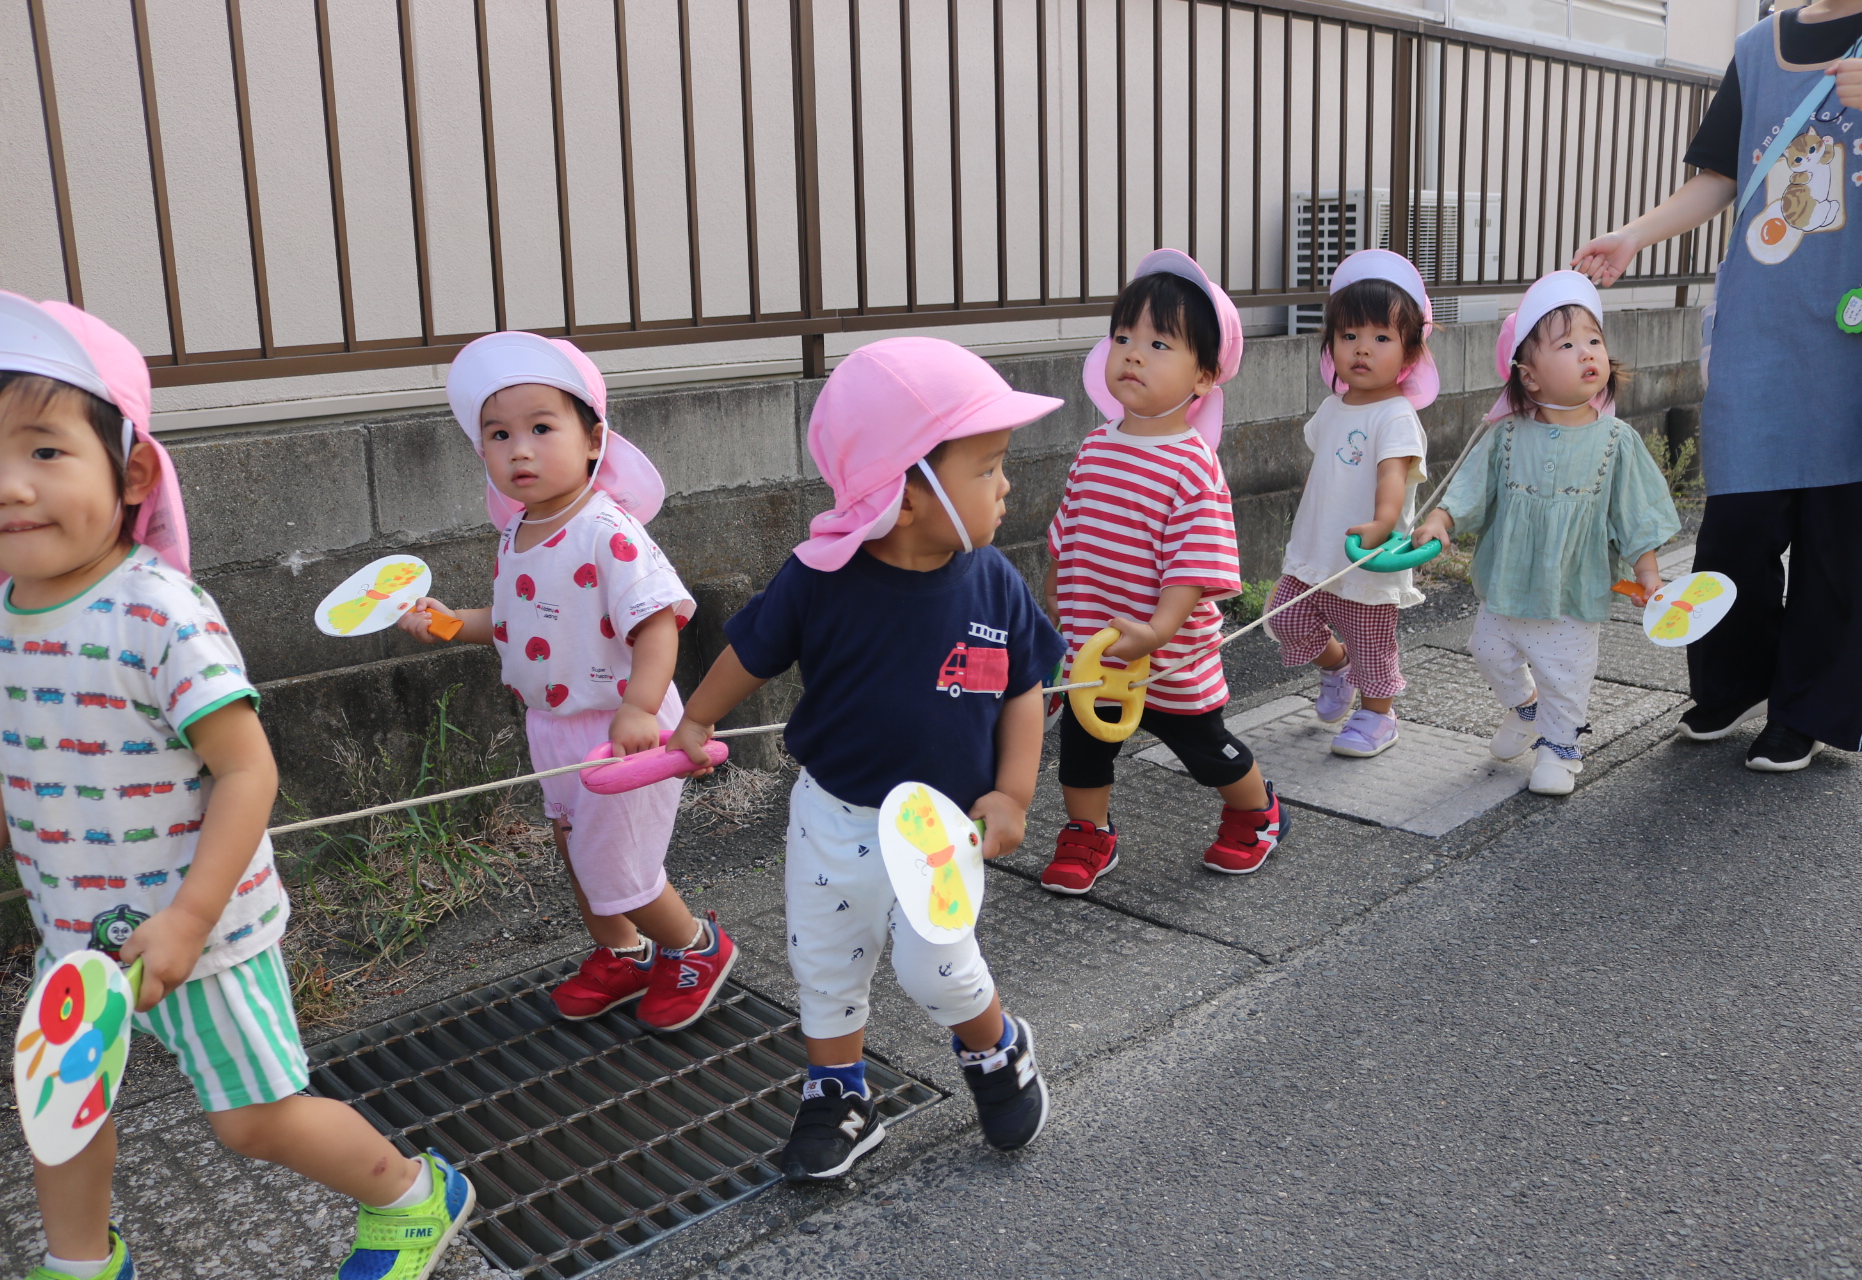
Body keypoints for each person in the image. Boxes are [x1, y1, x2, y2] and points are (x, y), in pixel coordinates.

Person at [0, 293, 471, 1280]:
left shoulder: (159, 613)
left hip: (201, 931)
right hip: (73, 928)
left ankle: (412, 1196)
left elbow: (248, 768)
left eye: (44, 449)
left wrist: (187, 919)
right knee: (62, 1107)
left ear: (131, 472)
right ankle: (81, 1263)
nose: (11, 484)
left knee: (253, 1119)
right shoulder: (5, 608)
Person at [663, 337, 1064, 1180]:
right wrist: (696, 718)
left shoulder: (993, 581)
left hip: (941, 831)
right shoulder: (820, 577)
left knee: (938, 968)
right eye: (988, 468)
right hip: (832, 813)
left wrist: (1013, 794)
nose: (1007, 485)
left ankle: (996, 1048)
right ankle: (838, 1091)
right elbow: (752, 653)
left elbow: (1025, 689)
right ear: (907, 494)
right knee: (825, 961)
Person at [1572, 0, 1862, 771]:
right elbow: (1722, 176)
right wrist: (1633, 235)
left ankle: (1804, 712)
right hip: (1762, 327)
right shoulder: (1761, 46)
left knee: (1843, 539)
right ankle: (1731, 685)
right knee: (1737, 529)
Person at [399, 332, 735, 1030]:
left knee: (620, 870)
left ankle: (696, 947)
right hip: (551, 726)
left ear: (594, 441)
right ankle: (626, 954)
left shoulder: (608, 530)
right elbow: (515, 619)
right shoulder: (518, 530)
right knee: (576, 852)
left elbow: (657, 623)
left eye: (541, 428)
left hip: (621, 728)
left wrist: (641, 707)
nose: (519, 450)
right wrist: (450, 623)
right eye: (499, 434)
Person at [1039, 249, 1288, 893]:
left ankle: (1256, 812)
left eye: (1158, 344)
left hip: (1167, 653)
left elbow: (1193, 566)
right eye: (1123, 337)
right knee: (1083, 752)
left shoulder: (1192, 464)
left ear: (1203, 377)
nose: (1133, 355)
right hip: (1095, 648)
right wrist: (1055, 599)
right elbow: (1068, 534)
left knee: (1206, 751)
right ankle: (1089, 832)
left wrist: (1156, 629)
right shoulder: (1095, 447)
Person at [1410, 272, 1680, 796]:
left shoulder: (1617, 440)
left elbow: (1636, 512)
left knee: (1566, 671)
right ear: (1529, 377)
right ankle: (1524, 708)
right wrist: (1441, 520)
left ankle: (1560, 748)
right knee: (1488, 649)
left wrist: (1647, 572)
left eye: (1594, 340)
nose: (1588, 352)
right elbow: (1470, 489)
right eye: (1567, 345)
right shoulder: (1507, 434)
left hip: (1573, 588)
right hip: (1508, 581)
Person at [1264, 249, 1437, 758]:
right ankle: (1336, 666)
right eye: (1349, 336)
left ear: (1409, 353)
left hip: (1366, 554)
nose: (1362, 348)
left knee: (1371, 642)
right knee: (1284, 618)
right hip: (1316, 550)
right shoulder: (1331, 407)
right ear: (1331, 345)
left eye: (1381, 338)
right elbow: (1324, 469)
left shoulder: (1396, 415)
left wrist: (1383, 522)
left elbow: (1392, 475)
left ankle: (1379, 716)